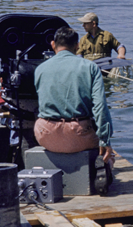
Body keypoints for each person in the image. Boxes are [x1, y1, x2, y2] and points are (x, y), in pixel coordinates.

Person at [34, 26, 116, 170]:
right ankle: (104, 166)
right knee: (111, 156)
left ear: (53, 44)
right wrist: (105, 139)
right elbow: (100, 107)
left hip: (46, 136)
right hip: (79, 136)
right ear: (77, 46)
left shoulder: (40, 69)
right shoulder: (90, 67)